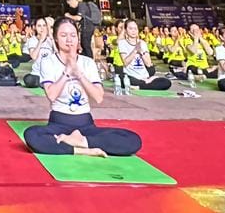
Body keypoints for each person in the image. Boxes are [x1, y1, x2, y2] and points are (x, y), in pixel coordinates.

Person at [21, 18, 142, 157]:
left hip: (85, 124)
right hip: (58, 123)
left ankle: (82, 141)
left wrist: (79, 73)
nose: (69, 40)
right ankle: (83, 149)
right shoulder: (48, 62)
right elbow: (52, 95)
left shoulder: (88, 63)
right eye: (63, 35)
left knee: (133, 140)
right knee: (32, 135)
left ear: (78, 38)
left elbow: (98, 97)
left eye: (73, 35)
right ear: (56, 38)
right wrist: (67, 71)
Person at [116, 19, 171, 90]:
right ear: (126, 30)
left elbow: (148, 64)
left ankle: (140, 86)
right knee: (121, 78)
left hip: (144, 76)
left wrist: (141, 52)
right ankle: (145, 84)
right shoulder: (122, 43)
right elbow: (125, 63)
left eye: (135, 29)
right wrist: (135, 50)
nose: (133, 31)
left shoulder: (142, 43)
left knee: (167, 82)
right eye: (130, 28)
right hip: (131, 76)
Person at [22, 18, 55, 88]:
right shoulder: (32, 40)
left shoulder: (51, 40)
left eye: (44, 25)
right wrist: (40, 41)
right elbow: (33, 56)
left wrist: (51, 38)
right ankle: (45, 82)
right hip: (37, 73)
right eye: (39, 26)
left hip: (50, 73)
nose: (42, 28)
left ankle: (45, 82)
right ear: (35, 27)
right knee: (28, 79)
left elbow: (58, 53)